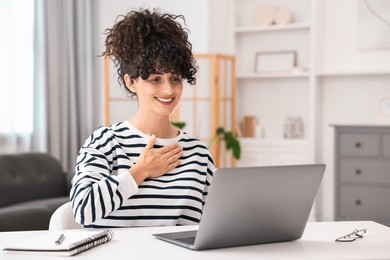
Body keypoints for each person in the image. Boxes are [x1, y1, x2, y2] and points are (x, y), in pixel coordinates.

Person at [69, 8, 215, 228]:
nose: (168, 90)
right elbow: (82, 210)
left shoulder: (198, 153)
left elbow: (215, 223)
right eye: (155, 79)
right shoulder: (105, 142)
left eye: (175, 78)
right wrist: (140, 171)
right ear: (131, 82)